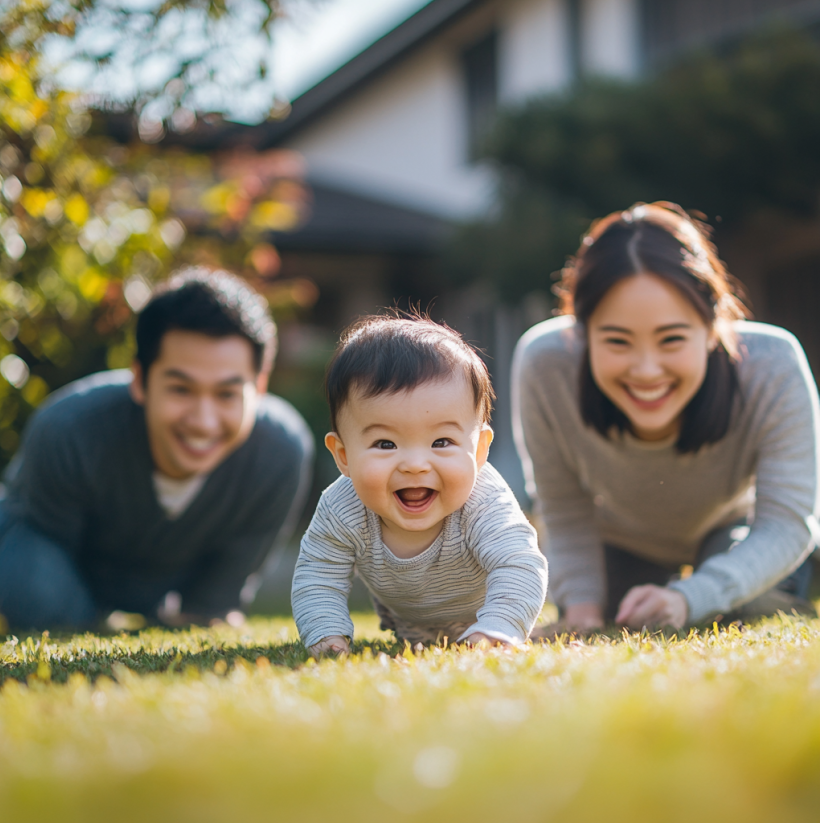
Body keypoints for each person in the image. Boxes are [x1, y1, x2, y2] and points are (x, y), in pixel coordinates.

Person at [512, 202, 820, 634]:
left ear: (712, 326)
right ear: (582, 332)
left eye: (671, 339)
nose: (646, 371)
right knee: (621, 609)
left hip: (735, 532)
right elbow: (562, 506)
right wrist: (581, 612)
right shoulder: (546, 362)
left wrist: (691, 597)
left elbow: (787, 523)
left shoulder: (773, 363)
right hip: (620, 540)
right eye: (617, 341)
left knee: (746, 605)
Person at [0, 267, 313, 630]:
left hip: (154, 589)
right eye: (181, 389)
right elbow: (43, 558)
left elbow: (216, 602)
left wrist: (206, 609)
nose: (203, 422)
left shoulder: (281, 453)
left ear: (259, 387)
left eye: (227, 394)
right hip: (43, 556)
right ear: (140, 380)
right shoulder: (68, 430)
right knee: (44, 599)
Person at [292, 314, 548, 654]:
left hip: (488, 611)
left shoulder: (485, 502)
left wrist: (497, 629)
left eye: (441, 442)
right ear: (343, 455)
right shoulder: (342, 507)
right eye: (385, 444)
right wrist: (326, 634)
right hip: (409, 625)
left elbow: (518, 564)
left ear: (479, 451)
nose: (415, 465)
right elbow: (318, 575)